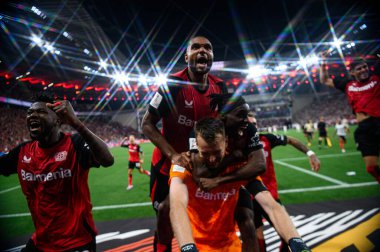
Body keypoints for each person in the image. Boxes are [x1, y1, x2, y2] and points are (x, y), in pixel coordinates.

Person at [142, 35, 241, 251]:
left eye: (208, 47)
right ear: (186, 56)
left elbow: (223, 125)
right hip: (168, 163)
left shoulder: (220, 87)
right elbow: (147, 124)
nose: (202, 51)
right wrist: (174, 155)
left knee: (208, 216)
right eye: (195, 47)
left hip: (202, 162)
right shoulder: (172, 85)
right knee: (165, 215)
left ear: (212, 56)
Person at [196, 94, 311, 252]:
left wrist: (222, 176)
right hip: (213, 181)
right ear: (223, 117)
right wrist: (233, 157)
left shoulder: (249, 129)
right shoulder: (206, 130)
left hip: (237, 174)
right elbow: (200, 173)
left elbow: (259, 165)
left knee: (260, 213)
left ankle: (298, 244)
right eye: (240, 115)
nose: (246, 120)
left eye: (246, 114)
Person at [0, 93, 114, 251]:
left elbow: (108, 160)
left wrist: (77, 124)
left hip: (77, 241)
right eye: (30, 112)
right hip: (42, 241)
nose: (32, 115)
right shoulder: (22, 152)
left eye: (41, 112)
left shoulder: (75, 144)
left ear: (58, 120)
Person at [170, 117, 258, 251]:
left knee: (248, 223)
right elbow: (176, 206)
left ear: (226, 142)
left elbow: (271, 205)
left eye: (217, 152)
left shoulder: (238, 165)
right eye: (205, 153)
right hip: (195, 246)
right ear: (196, 146)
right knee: (165, 207)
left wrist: (295, 240)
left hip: (230, 247)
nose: (212, 159)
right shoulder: (184, 164)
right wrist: (188, 247)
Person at [248, 114, 320, 252]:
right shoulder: (237, 144)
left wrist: (310, 153)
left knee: (287, 236)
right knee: (257, 239)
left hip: (270, 195)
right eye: (250, 123)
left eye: (255, 123)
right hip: (250, 196)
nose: (253, 126)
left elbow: (291, 140)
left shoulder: (267, 139)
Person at [320, 53, 380, 183]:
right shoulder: (348, 85)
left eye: (365, 67)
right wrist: (323, 62)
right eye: (359, 69)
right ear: (352, 72)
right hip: (364, 129)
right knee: (371, 168)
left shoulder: (376, 79)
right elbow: (324, 80)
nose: (363, 70)